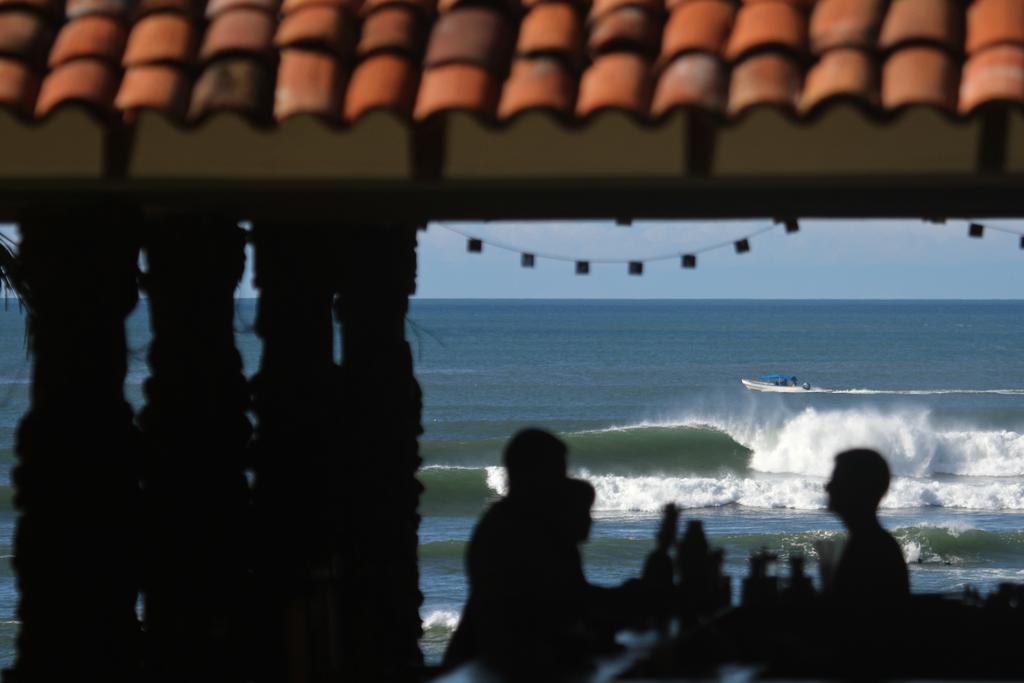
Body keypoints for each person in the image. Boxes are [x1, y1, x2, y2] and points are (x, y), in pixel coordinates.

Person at [824, 448, 909, 603]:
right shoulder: (873, 542)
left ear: (856, 489)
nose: (827, 487)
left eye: (836, 480)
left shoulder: (870, 548)